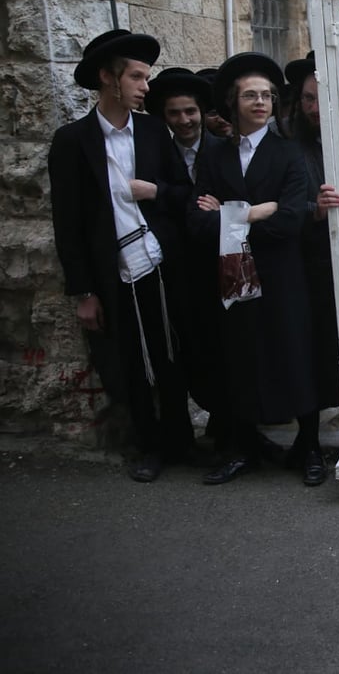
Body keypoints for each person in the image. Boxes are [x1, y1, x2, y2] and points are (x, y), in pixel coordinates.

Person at [48, 29, 194, 482]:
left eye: (145, 77)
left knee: (171, 353)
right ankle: (147, 446)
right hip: (113, 272)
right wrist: (84, 291)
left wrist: (154, 192)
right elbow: (67, 223)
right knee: (131, 360)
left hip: (160, 263)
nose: (145, 86)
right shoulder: (73, 142)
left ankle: (182, 441)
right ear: (109, 79)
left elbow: (183, 194)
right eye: (136, 77)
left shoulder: (153, 131)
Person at [188, 52, 326, 487]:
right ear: (233, 102)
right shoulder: (214, 157)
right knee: (240, 354)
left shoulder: (288, 154)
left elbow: (288, 221)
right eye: (251, 95)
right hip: (233, 271)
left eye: (267, 95)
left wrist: (231, 217)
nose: (261, 102)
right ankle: (244, 447)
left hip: (283, 273)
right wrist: (252, 213)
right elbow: (197, 219)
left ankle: (310, 446)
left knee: (294, 352)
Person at [144, 67, 230, 445]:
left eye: (190, 112)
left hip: (219, 261)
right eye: (175, 113)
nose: (184, 120)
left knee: (224, 348)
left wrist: (161, 193)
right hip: (176, 266)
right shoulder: (155, 154)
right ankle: (178, 433)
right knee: (182, 348)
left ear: (202, 112)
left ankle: (227, 426)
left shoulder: (221, 149)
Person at [283, 50, 339, 414]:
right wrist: (312, 210)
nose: (316, 108)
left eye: (325, 98)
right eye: (308, 98)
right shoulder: (283, 138)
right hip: (301, 256)